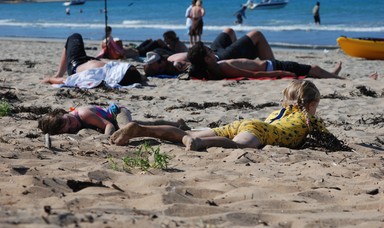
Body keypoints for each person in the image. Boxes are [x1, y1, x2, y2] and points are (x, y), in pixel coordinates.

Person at [109, 80, 343, 151]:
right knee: (235, 146)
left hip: (248, 123)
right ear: (312, 104)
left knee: (186, 132)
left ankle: (140, 129)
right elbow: (328, 141)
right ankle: (198, 144)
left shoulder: (278, 111)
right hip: (258, 131)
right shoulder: (310, 119)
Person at [143, 27, 275, 77]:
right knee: (256, 34)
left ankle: (241, 54)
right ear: (161, 69)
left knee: (229, 31)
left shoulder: (168, 59)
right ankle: (274, 64)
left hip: (212, 50)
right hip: (217, 57)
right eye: (159, 62)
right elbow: (195, 68)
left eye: (158, 58)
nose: (161, 59)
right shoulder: (176, 66)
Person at [187, 41, 343, 80]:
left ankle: (331, 73)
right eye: (210, 51)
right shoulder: (224, 66)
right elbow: (253, 74)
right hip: (271, 66)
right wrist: (279, 72)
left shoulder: (215, 69)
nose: (213, 52)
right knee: (313, 68)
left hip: (270, 65)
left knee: (309, 70)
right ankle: (337, 77)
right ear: (207, 59)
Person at [43, 33, 141, 88]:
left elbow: (66, 81)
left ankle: (59, 73)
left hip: (76, 64)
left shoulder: (95, 77)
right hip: (90, 61)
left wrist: (49, 79)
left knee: (74, 37)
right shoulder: (118, 72)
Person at [38, 103, 190, 136]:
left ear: (64, 113)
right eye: (70, 129)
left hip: (117, 113)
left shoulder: (83, 114)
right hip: (113, 119)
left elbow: (108, 125)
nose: (74, 126)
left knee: (128, 126)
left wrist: (107, 138)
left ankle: (176, 126)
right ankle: (177, 124)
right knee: (145, 124)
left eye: (70, 122)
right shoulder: (70, 122)